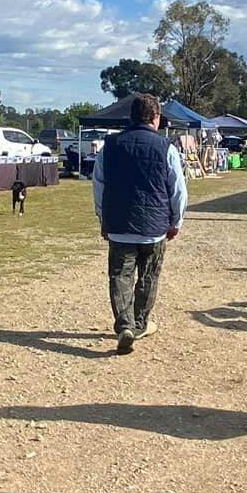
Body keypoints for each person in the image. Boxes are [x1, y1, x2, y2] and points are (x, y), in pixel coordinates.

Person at [92, 93, 187, 355]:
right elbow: (178, 189)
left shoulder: (109, 146)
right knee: (149, 276)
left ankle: (124, 324)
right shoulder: (166, 147)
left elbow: (98, 186)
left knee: (119, 276)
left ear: (130, 117)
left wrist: (103, 218)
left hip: (120, 224)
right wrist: (176, 220)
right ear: (156, 117)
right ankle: (140, 323)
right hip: (154, 227)